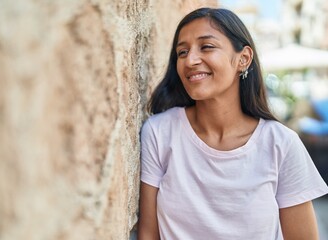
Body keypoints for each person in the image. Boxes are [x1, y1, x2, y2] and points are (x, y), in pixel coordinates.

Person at [138, 7, 328, 240]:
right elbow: (148, 235)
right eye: (182, 52)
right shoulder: (159, 132)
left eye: (206, 47)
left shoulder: (281, 143)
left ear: (243, 59)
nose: (190, 60)